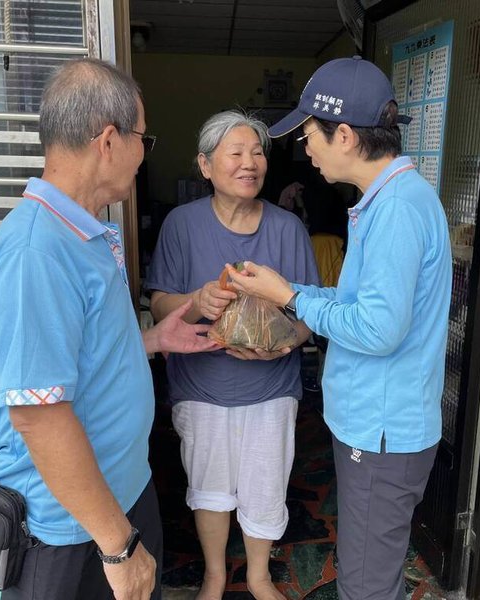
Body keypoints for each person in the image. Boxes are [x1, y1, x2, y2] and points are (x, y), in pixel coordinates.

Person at [0, 58, 218, 600]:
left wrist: (152, 341)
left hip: (122, 497)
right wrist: (117, 546)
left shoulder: (84, 232)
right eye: (143, 139)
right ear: (109, 141)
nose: (142, 154)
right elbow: (39, 416)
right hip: (72, 530)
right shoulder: (36, 252)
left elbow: (75, 358)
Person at [226, 57, 452, 600]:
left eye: (310, 136)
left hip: (381, 433)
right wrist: (291, 290)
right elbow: (359, 303)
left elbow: (377, 329)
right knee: (367, 572)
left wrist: (288, 296)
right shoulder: (384, 202)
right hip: (375, 429)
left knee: (366, 586)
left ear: (345, 136)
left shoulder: (397, 208)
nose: (305, 149)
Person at [145, 110, 319, 600]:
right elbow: (159, 302)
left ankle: (259, 576)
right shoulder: (181, 225)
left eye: (258, 152)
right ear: (205, 165)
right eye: (236, 153)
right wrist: (196, 301)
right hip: (201, 384)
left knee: (267, 480)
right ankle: (216, 575)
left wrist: (286, 343)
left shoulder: (287, 229)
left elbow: (309, 311)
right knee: (209, 483)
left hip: (272, 384)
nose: (251, 163)